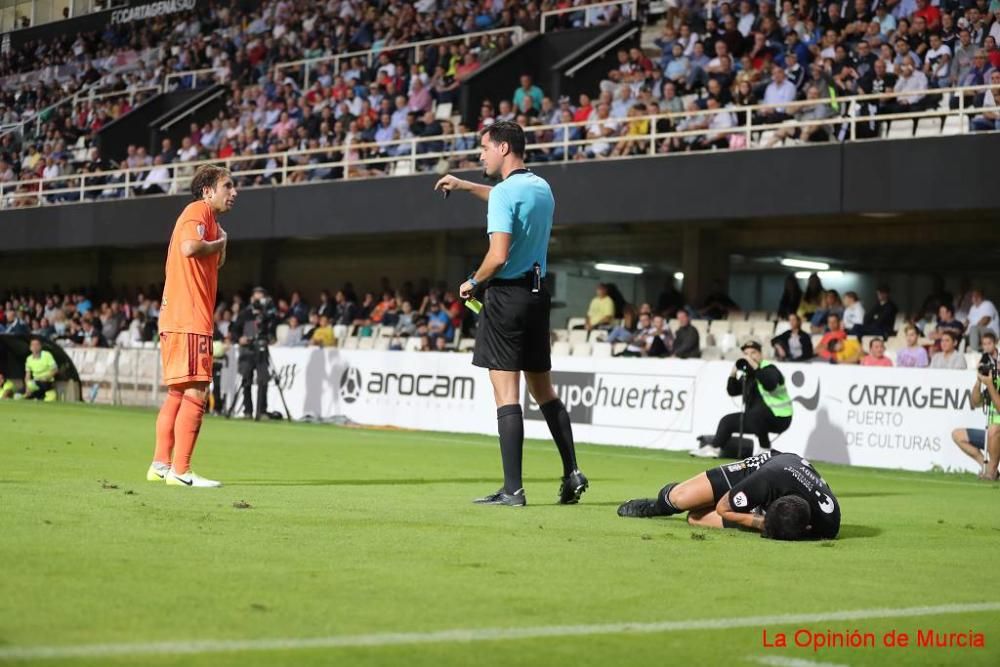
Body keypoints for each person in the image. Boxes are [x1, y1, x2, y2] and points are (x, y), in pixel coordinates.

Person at [434, 120, 588, 507]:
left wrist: (473, 281)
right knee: (544, 391)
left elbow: (498, 256)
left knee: (507, 395)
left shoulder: (506, 194)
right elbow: (505, 197)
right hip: (537, 297)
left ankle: (513, 490)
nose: (480, 154)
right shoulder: (541, 188)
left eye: (484, 147)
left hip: (505, 298)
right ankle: (572, 471)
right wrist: (467, 185)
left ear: (503, 148)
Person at [147, 165, 234, 488]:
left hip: (177, 316)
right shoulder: (197, 210)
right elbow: (190, 248)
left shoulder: (210, 221)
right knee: (198, 389)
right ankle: (181, 471)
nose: (234, 192)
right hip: (190, 318)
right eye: (228, 186)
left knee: (177, 392)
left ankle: (160, 464)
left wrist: (220, 243)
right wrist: (217, 243)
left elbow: (212, 260)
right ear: (208, 191)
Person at [617, 450, 841, 540]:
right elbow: (724, 509)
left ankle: (702, 499)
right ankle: (656, 506)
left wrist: (762, 524)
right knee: (679, 500)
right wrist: (756, 521)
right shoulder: (764, 483)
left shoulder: (828, 523)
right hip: (762, 469)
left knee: (695, 519)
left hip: (785, 485)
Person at [690, 339, 793, 459]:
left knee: (756, 413)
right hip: (758, 418)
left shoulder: (770, 368)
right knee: (727, 421)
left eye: (753, 353)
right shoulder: (748, 374)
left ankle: (765, 448)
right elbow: (733, 391)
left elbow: (770, 384)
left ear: (761, 354)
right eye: (746, 354)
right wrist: (733, 373)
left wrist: (754, 366)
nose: (749, 357)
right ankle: (714, 448)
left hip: (780, 417)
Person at [951, 337, 1000, 480]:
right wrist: (979, 382)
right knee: (957, 435)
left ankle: (991, 470)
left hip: (996, 432)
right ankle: (986, 467)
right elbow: (975, 402)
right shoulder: (992, 381)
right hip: (992, 435)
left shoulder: (993, 384)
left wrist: (990, 385)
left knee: (994, 428)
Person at [230, 287, 278, 419]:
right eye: (256, 295)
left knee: (263, 379)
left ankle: (262, 410)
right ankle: (248, 410)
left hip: (261, 349)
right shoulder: (245, 314)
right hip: (248, 349)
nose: (258, 299)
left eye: (261, 296)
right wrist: (239, 339)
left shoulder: (267, 314)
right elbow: (234, 330)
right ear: (252, 298)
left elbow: (272, 326)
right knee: (246, 379)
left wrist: (270, 336)